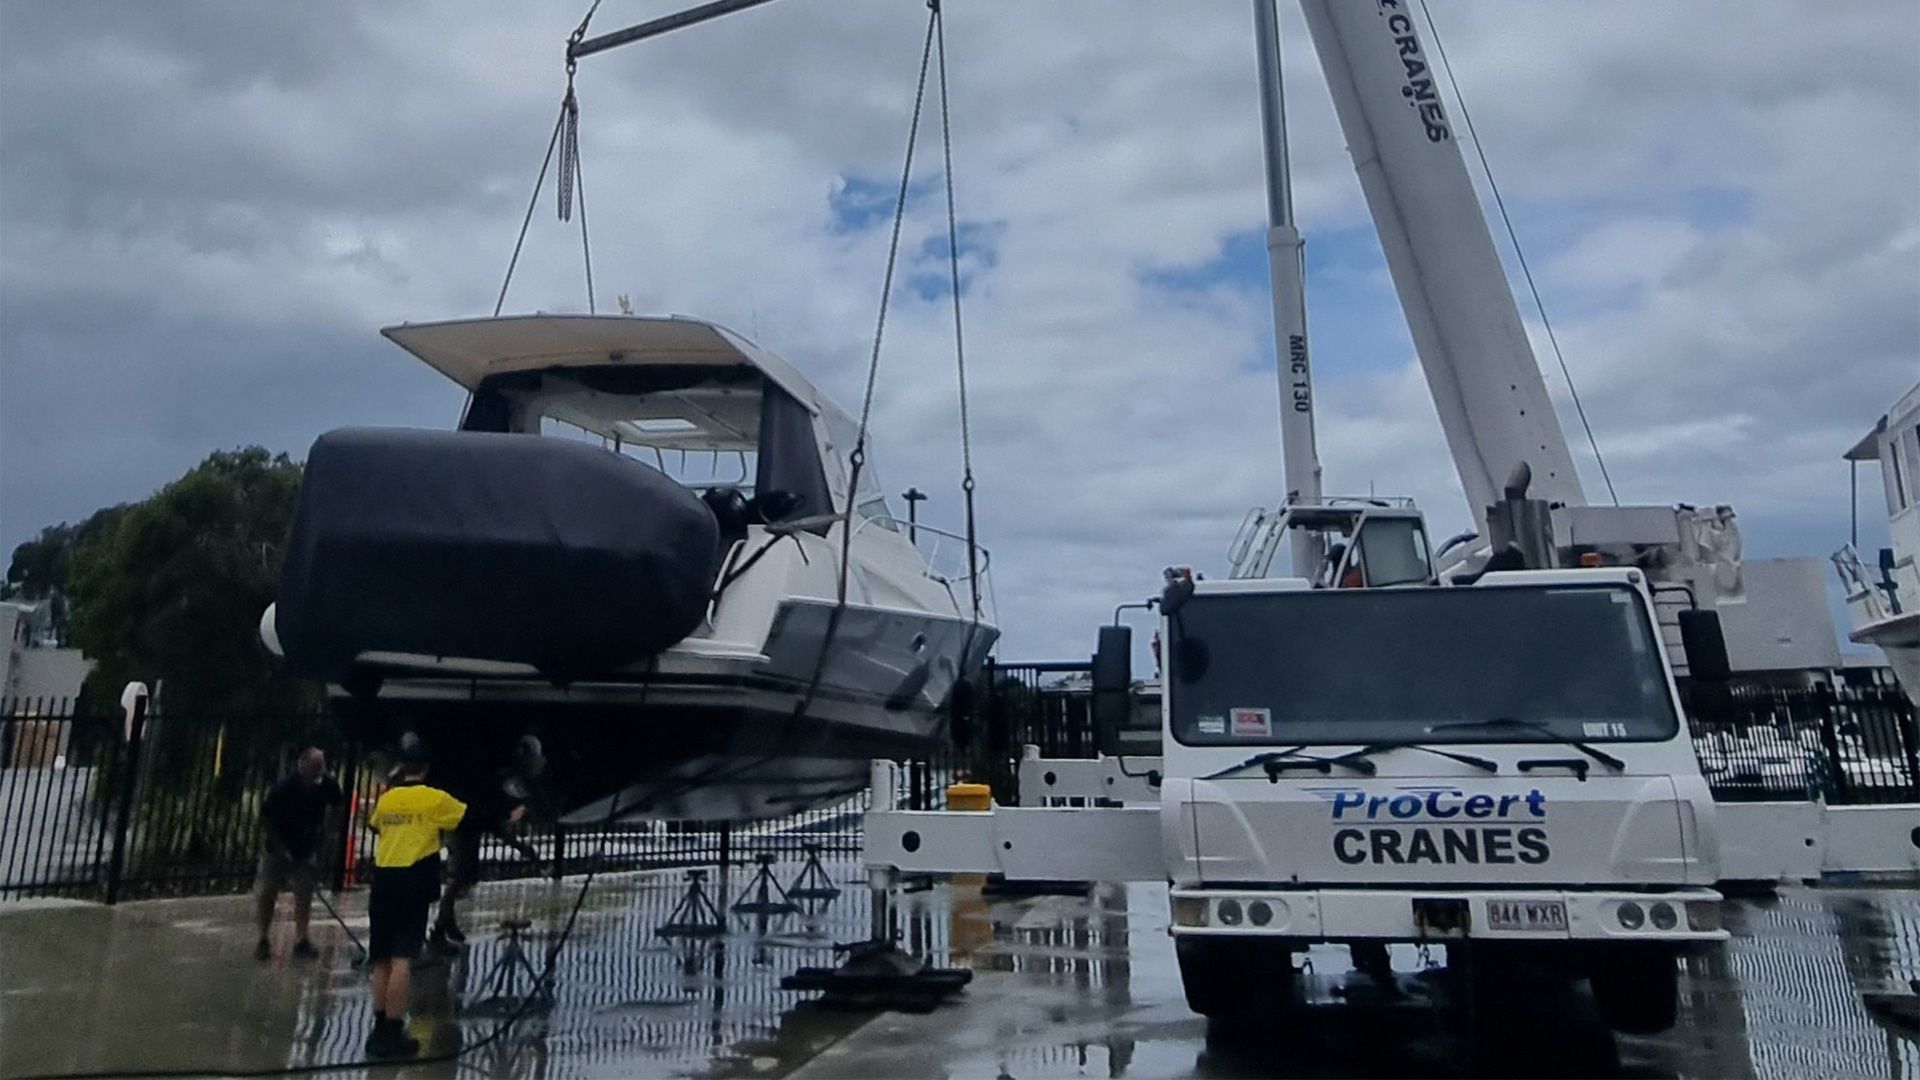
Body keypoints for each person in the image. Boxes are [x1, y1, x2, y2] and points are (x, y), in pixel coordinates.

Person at [365, 737, 466, 1060]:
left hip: (383, 881)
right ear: (426, 768)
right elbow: (464, 819)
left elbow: (376, 827)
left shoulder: (388, 799)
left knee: (380, 957)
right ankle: (395, 1031)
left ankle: (378, 1029)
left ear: (402, 767)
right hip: (413, 881)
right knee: (402, 958)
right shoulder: (435, 798)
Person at [429, 735, 545, 950]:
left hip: (465, 827)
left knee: (462, 880)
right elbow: (495, 825)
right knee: (459, 880)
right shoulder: (495, 789)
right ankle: (439, 930)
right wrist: (521, 847)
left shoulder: (490, 781)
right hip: (463, 829)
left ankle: (446, 924)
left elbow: (494, 824)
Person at [254, 746, 344, 961]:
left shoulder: (327, 785)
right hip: (278, 847)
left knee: (304, 893)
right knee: (268, 890)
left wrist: (330, 834)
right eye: (314, 767)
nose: (318, 772)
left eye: (321, 767)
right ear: (301, 765)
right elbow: (265, 817)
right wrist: (280, 847)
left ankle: (301, 940)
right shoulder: (284, 788)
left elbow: (339, 805)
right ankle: (263, 939)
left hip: (306, 847)